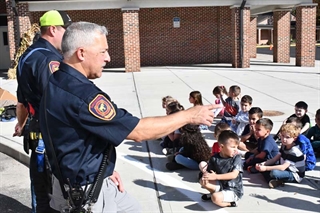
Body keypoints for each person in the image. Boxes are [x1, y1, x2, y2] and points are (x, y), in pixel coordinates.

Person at [39, 22, 215, 213]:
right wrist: (189, 115)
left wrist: (103, 170)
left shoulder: (56, 80)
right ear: (81, 53)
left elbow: (71, 136)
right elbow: (137, 131)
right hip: (87, 193)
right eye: (102, 52)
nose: (108, 58)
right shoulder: (85, 97)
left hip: (80, 179)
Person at [13, 10, 72, 213]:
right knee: (52, 193)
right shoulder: (50, 60)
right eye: (66, 30)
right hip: (50, 137)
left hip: (35, 129)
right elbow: (58, 102)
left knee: (39, 189)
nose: (68, 36)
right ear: (53, 29)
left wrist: (21, 124)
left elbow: (22, 102)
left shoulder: (27, 56)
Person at [199, 130, 243, 207]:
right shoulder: (214, 158)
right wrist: (206, 175)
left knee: (215, 198)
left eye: (237, 147)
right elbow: (210, 172)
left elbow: (234, 175)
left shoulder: (237, 158)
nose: (236, 149)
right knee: (202, 181)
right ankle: (214, 193)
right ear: (222, 147)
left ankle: (231, 203)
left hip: (233, 190)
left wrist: (216, 176)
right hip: (221, 185)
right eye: (233, 147)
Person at [256, 124, 305, 188]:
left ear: (294, 138)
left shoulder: (294, 151)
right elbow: (274, 159)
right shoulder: (284, 146)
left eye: (287, 137)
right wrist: (263, 164)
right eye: (282, 136)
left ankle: (273, 180)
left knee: (274, 172)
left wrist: (265, 168)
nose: (284, 139)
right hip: (286, 170)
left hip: (295, 174)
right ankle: (273, 181)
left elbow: (283, 167)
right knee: (265, 167)